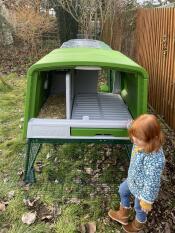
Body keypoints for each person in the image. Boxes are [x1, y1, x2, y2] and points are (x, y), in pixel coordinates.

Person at [108, 114, 165, 232]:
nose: (134, 140)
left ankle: (137, 225)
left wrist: (147, 200)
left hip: (142, 190)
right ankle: (123, 214)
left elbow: (152, 182)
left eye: (138, 138)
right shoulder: (141, 141)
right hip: (132, 179)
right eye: (134, 136)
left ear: (152, 138)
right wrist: (131, 126)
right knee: (122, 190)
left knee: (139, 208)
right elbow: (136, 130)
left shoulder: (155, 158)